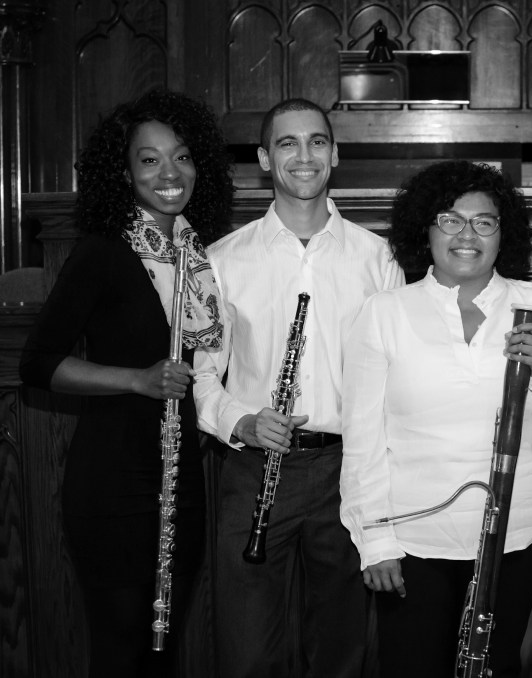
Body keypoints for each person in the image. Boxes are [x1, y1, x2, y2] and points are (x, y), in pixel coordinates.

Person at [339, 160, 532, 678]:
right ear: (426, 229)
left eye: (484, 222)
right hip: (412, 542)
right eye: (451, 220)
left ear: (504, 234)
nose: (467, 234)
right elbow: (363, 440)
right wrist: (375, 541)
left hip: (518, 536)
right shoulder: (384, 312)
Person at [19, 88, 232, 677]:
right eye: (150, 159)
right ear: (123, 172)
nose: (170, 173)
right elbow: (38, 363)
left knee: (164, 654)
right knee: (120, 654)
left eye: (182, 157)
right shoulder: (103, 253)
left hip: (181, 478)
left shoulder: (200, 256)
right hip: (113, 482)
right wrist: (137, 380)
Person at [193, 98, 404, 678]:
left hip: (347, 469)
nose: (303, 155)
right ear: (265, 158)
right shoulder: (222, 260)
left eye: (316, 141)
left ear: (335, 155)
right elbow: (204, 374)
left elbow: (397, 378)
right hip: (252, 469)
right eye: (287, 143)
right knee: (246, 653)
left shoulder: (378, 258)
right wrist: (241, 420)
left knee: (340, 653)